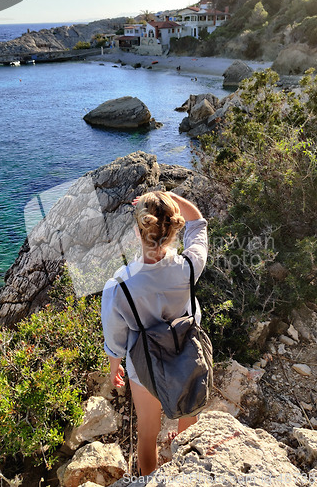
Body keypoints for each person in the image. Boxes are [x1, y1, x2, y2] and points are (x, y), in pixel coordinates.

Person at [101, 191, 208, 476]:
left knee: (147, 434)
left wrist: (114, 367)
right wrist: (168, 195)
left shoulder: (119, 286)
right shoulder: (189, 266)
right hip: (187, 353)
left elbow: (115, 338)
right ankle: (185, 470)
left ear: (138, 232)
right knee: (188, 413)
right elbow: (197, 222)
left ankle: (149, 479)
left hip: (144, 364)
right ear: (174, 228)